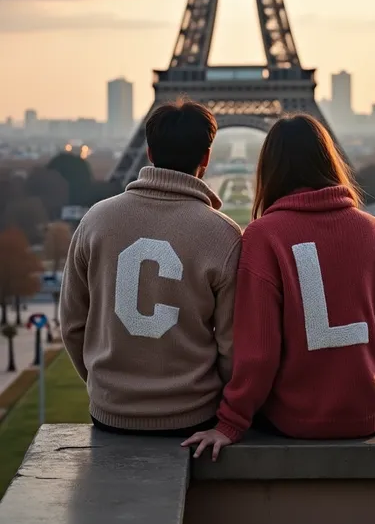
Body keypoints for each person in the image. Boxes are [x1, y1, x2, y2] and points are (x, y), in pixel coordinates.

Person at [183, 114, 375, 460]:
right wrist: (370, 390)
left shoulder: (264, 235)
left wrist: (230, 422)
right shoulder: (372, 230)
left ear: (270, 168)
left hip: (295, 420)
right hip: (366, 416)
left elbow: (258, 354)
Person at [60, 101, 242, 436]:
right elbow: (232, 346)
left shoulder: (96, 221)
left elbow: (72, 326)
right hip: (194, 414)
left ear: (148, 152)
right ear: (206, 157)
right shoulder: (224, 234)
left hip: (110, 411)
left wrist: (107, 389)